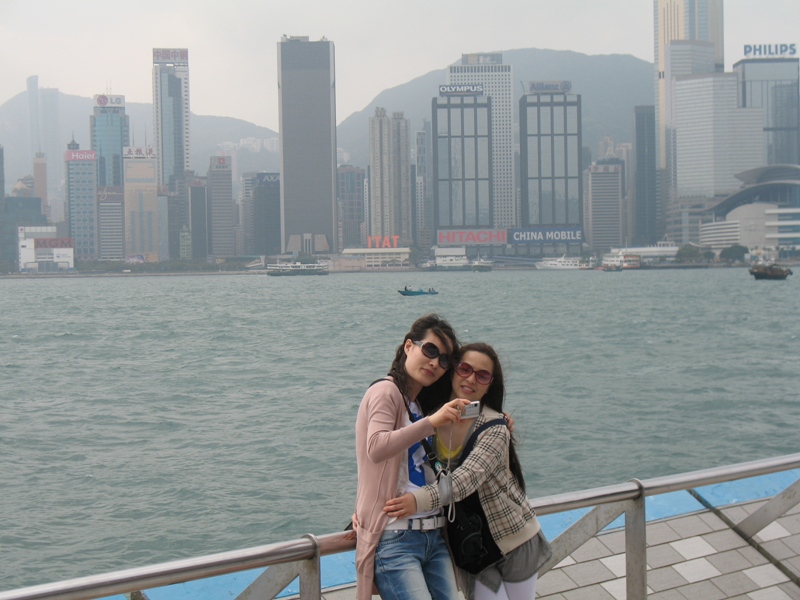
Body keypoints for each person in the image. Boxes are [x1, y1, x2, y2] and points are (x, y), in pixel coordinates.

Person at [384, 342, 552, 600]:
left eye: (482, 375)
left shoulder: (495, 427)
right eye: (464, 369)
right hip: (470, 543)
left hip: (514, 539)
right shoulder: (431, 418)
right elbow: (397, 457)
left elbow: (465, 480)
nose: (471, 379)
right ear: (452, 371)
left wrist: (415, 502)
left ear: (490, 383)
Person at [353, 314, 471, 600]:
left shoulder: (417, 404)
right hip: (396, 538)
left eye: (444, 360)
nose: (435, 363)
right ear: (409, 346)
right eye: (430, 350)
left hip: (434, 534)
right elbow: (376, 447)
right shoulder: (385, 391)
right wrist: (432, 422)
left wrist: (498, 419)